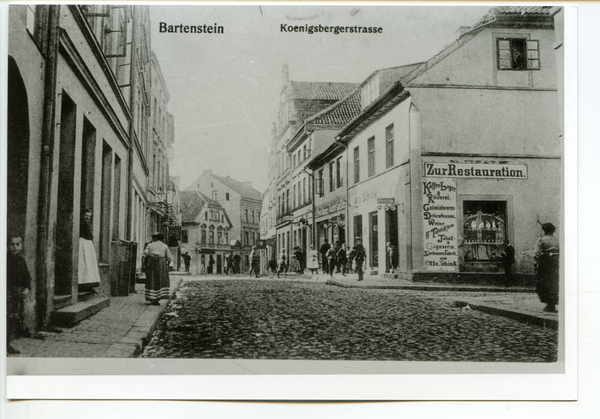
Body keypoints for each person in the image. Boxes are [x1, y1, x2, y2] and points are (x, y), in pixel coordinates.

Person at [7, 235, 32, 355]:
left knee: (12, 319)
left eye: (17, 244)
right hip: (7, 292)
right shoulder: (5, 259)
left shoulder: (21, 260)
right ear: (7, 246)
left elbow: (27, 275)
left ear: (21, 246)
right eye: (12, 244)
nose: (14, 247)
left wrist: (26, 288)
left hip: (17, 293)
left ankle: (7, 345)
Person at [534, 223, 560, 313]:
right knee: (555, 282)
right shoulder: (558, 240)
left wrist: (536, 262)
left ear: (544, 230)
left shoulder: (541, 239)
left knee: (544, 282)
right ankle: (553, 303)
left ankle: (549, 304)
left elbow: (537, 253)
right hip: (557, 261)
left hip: (545, 262)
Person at [143, 232, 173, 305]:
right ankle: (158, 297)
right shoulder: (165, 246)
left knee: (152, 279)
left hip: (151, 263)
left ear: (155, 238)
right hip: (161, 263)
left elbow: (144, 255)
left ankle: (152, 298)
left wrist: (144, 265)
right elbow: (169, 258)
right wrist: (166, 266)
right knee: (160, 280)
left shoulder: (150, 245)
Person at [78, 208, 101, 288]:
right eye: (86, 215)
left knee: (87, 262)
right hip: (83, 244)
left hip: (86, 245)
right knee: (84, 262)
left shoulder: (86, 224)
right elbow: (89, 235)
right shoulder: (82, 223)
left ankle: (86, 282)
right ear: (82, 215)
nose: (88, 218)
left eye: (89, 216)